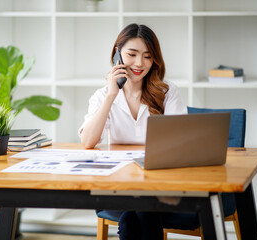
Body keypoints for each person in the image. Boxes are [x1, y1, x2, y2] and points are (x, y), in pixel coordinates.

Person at [78, 23, 187, 239]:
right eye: (132, 54)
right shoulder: (102, 96)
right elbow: (88, 142)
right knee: (138, 212)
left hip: (161, 187)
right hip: (118, 186)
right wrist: (111, 95)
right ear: (117, 55)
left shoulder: (167, 92)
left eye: (147, 56)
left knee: (134, 215)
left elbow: (180, 144)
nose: (139, 63)